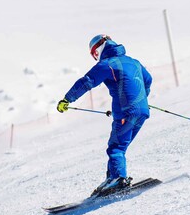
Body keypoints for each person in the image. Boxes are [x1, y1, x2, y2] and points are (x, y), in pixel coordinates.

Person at [57, 34, 152, 196]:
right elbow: (148, 80)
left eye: (94, 54)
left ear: (98, 50)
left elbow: (87, 81)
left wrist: (67, 99)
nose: (95, 58)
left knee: (116, 147)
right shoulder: (134, 61)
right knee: (120, 146)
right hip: (142, 111)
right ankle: (112, 178)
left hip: (125, 112)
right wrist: (140, 99)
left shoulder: (107, 64)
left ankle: (118, 178)